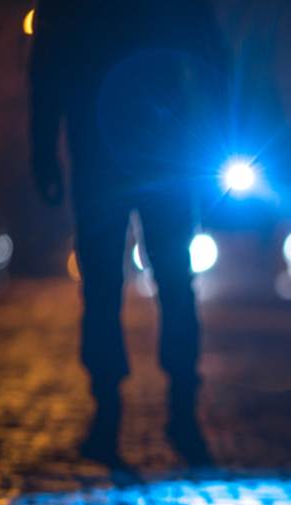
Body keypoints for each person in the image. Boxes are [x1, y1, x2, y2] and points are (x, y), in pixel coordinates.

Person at [29, 0, 226, 468]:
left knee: (112, 285)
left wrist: (43, 148)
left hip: (114, 149)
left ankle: (119, 410)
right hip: (159, 149)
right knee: (170, 282)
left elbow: (47, 66)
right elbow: (212, 57)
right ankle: (174, 409)